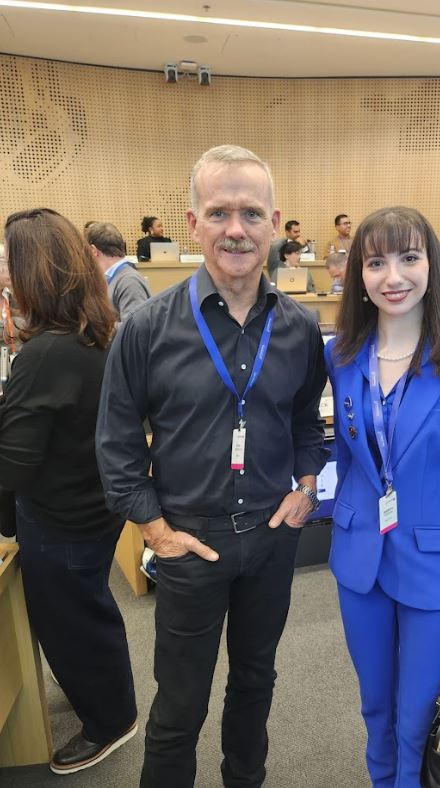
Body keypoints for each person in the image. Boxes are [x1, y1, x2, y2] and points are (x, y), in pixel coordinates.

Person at [96, 145, 328, 788]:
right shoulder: (145, 328)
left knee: (256, 684)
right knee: (180, 704)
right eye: (219, 211)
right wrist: (156, 530)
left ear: (275, 224)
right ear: (192, 222)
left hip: (272, 536)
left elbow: (309, 423)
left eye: (251, 213)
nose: (236, 229)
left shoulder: (300, 329)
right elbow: (115, 444)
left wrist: (307, 487)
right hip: (188, 542)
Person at [324, 206, 440, 788]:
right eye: (376, 262)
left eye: (408, 257)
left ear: (431, 263)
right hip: (359, 562)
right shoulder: (343, 356)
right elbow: (349, 458)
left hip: (435, 569)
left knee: (417, 717)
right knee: (375, 708)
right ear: (361, 275)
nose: (393, 276)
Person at [0, 208, 137, 774]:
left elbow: (13, 465)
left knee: (72, 620)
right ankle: (110, 705)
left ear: (35, 272)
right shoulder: (92, 333)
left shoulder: (46, 353)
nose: (3, 273)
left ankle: (110, 720)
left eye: (9, 262)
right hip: (89, 503)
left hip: (61, 517)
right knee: (87, 610)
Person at [86, 221, 152, 323]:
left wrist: (96, 328)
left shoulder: (129, 281)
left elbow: (134, 330)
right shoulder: (114, 277)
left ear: (93, 250)